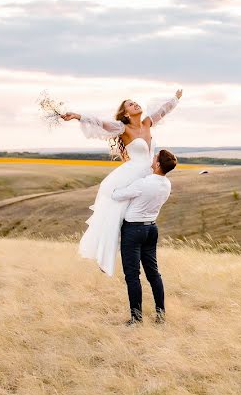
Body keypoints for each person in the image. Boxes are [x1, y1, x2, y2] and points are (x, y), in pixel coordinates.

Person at [60, 90, 182, 276]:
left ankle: (131, 252)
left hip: (147, 174)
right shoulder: (122, 128)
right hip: (131, 173)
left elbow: (164, 110)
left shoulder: (148, 122)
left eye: (135, 102)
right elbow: (100, 123)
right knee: (116, 214)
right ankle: (104, 258)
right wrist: (77, 116)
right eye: (130, 104)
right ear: (125, 114)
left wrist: (176, 98)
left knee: (133, 217)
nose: (135, 104)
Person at [110, 149, 178, 325]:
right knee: (153, 274)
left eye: (155, 158)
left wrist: (114, 185)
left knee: (132, 275)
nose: (152, 158)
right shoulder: (167, 184)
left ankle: (136, 318)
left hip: (133, 230)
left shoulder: (142, 183)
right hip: (151, 229)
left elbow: (116, 195)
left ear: (157, 164)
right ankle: (160, 315)